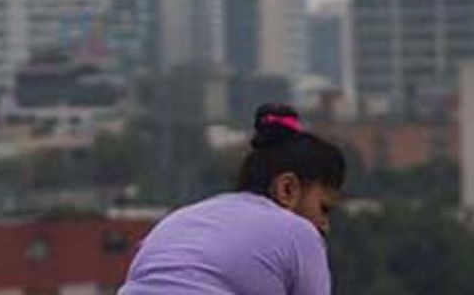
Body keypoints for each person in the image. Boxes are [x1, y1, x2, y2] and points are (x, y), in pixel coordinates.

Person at [119, 103, 346, 295]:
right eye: (323, 209)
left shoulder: (177, 220)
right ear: (287, 189)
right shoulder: (299, 233)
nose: (325, 225)